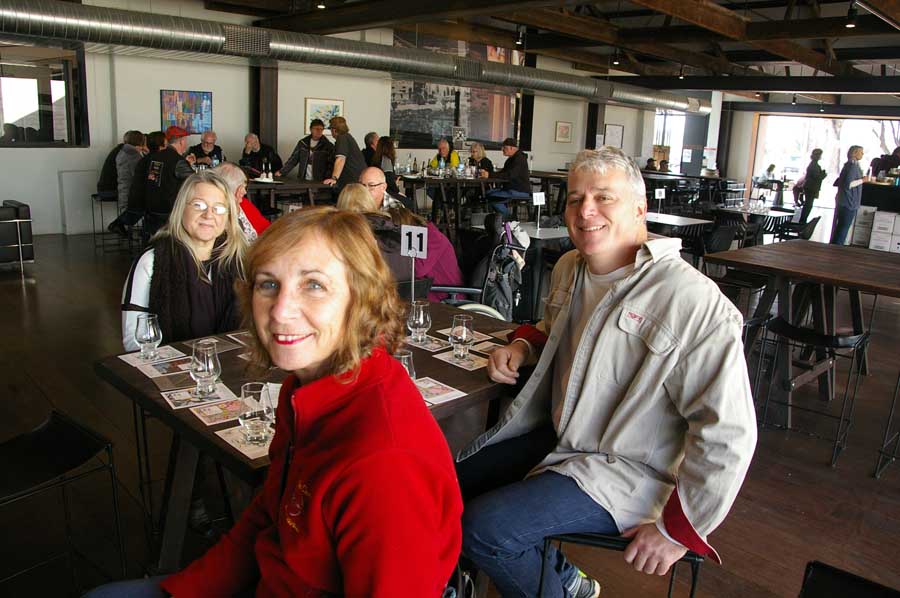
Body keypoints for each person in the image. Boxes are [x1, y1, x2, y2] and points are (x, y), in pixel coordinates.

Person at [91, 207, 465, 597]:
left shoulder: (384, 465)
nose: (280, 311)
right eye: (268, 284)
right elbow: (271, 515)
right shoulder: (304, 388)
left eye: (314, 285)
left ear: (362, 300)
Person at [458, 147, 757, 598]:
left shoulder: (694, 301)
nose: (586, 211)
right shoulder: (569, 268)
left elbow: (729, 432)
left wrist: (679, 530)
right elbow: (551, 331)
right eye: (575, 199)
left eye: (603, 197)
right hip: (562, 438)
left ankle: (556, 584)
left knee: (486, 530)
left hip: (632, 470)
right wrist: (521, 346)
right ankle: (562, 578)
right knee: (444, 485)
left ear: (639, 208)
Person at [121, 169, 245, 352]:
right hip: (173, 365)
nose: (209, 215)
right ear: (181, 209)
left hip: (229, 363)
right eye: (198, 205)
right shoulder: (152, 261)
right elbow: (134, 340)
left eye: (219, 208)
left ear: (228, 217)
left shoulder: (238, 262)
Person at [336, 183, 412, 281]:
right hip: (405, 286)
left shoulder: (347, 233)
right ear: (369, 200)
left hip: (372, 287)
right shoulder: (391, 224)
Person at [107, 131, 167, 237]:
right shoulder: (134, 156)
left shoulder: (124, 152)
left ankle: (143, 231)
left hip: (124, 189)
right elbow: (143, 176)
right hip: (130, 193)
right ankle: (146, 232)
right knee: (152, 205)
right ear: (141, 143)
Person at [214, 162, 270, 243]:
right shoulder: (217, 214)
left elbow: (267, 229)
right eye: (243, 187)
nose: (245, 192)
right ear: (238, 190)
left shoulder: (244, 204)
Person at [483, 137, 531, 217]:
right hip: (510, 189)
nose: (502, 149)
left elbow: (510, 175)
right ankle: (499, 218)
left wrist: (489, 175)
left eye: (504, 147)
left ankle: (509, 218)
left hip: (520, 190)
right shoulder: (511, 159)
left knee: (492, 197)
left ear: (512, 148)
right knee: (488, 193)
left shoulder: (519, 159)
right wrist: (489, 174)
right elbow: (503, 173)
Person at [831, 145, 865, 245]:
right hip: (849, 202)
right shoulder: (853, 166)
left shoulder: (848, 165)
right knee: (843, 228)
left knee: (840, 227)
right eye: (861, 152)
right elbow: (848, 183)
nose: (862, 154)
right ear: (854, 153)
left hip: (843, 200)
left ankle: (834, 246)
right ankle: (837, 248)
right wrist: (863, 180)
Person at [324, 116, 367, 192]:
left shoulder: (342, 138)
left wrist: (334, 178)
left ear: (334, 130)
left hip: (353, 180)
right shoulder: (347, 137)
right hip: (357, 178)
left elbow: (340, 159)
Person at [427, 138, 461, 222]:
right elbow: (430, 167)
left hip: (453, 185)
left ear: (448, 148)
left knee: (439, 193)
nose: (441, 151)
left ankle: (441, 215)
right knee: (431, 189)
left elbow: (453, 168)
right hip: (442, 183)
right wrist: (433, 170)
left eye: (443, 148)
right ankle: (441, 214)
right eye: (439, 149)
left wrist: (439, 170)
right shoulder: (438, 156)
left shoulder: (453, 154)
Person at [115, 130, 147, 209]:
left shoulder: (123, 152)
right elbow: (140, 177)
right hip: (131, 197)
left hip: (124, 193)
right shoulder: (134, 155)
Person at [799, 148, 827, 224]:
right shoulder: (814, 165)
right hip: (811, 187)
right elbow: (817, 177)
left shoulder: (814, 164)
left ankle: (803, 220)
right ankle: (802, 221)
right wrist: (823, 174)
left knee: (808, 205)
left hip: (810, 187)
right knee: (808, 205)